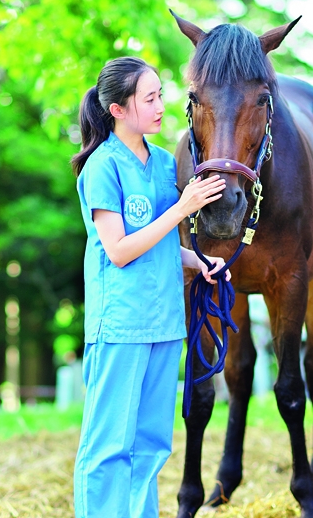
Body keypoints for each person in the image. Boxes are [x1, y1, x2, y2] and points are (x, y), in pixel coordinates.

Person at [70, 56, 229, 518]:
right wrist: (182, 210)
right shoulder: (102, 166)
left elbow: (156, 245)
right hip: (120, 325)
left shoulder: (162, 164)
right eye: (150, 98)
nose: (162, 106)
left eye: (161, 95)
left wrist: (198, 262)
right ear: (118, 109)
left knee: (152, 445)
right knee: (108, 446)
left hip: (165, 323)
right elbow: (118, 250)